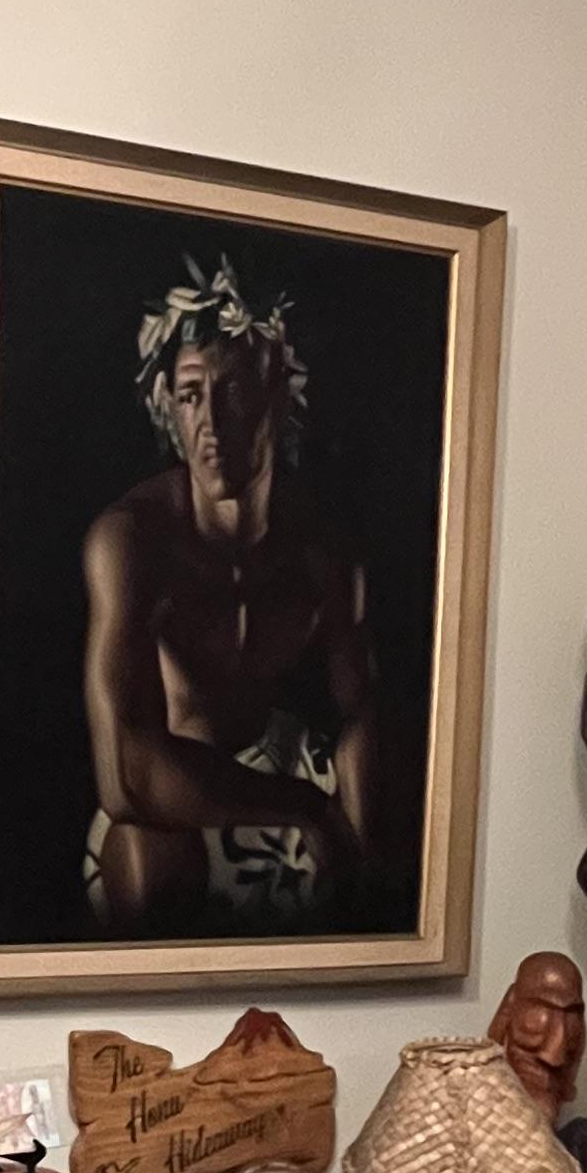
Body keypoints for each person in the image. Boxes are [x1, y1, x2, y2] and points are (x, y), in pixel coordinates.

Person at [81, 259, 371, 928]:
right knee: (147, 866)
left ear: (278, 396)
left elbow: (361, 711)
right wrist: (307, 809)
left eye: (233, 390)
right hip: (176, 803)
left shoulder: (322, 550)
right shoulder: (132, 539)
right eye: (191, 395)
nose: (211, 421)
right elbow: (126, 774)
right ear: (166, 404)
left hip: (288, 781)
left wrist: (357, 843)